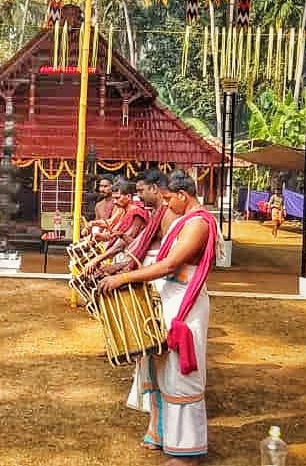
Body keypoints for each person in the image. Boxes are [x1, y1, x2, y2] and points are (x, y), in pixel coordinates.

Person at [99, 170, 219, 463]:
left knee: (181, 373)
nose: (166, 204)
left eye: (168, 198)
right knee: (160, 364)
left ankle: (187, 451)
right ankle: (160, 433)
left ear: (182, 195)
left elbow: (170, 265)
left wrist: (125, 277)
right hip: (168, 298)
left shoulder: (199, 224)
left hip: (184, 305)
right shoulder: (184, 220)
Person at [82, 180, 150, 274]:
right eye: (114, 198)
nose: (114, 201)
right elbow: (113, 229)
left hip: (131, 257)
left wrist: (97, 259)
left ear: (128, 196)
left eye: (117, 198)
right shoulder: (122, 210)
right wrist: (102, 236)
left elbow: (122, 244)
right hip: (118, 254)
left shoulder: (137, 213)